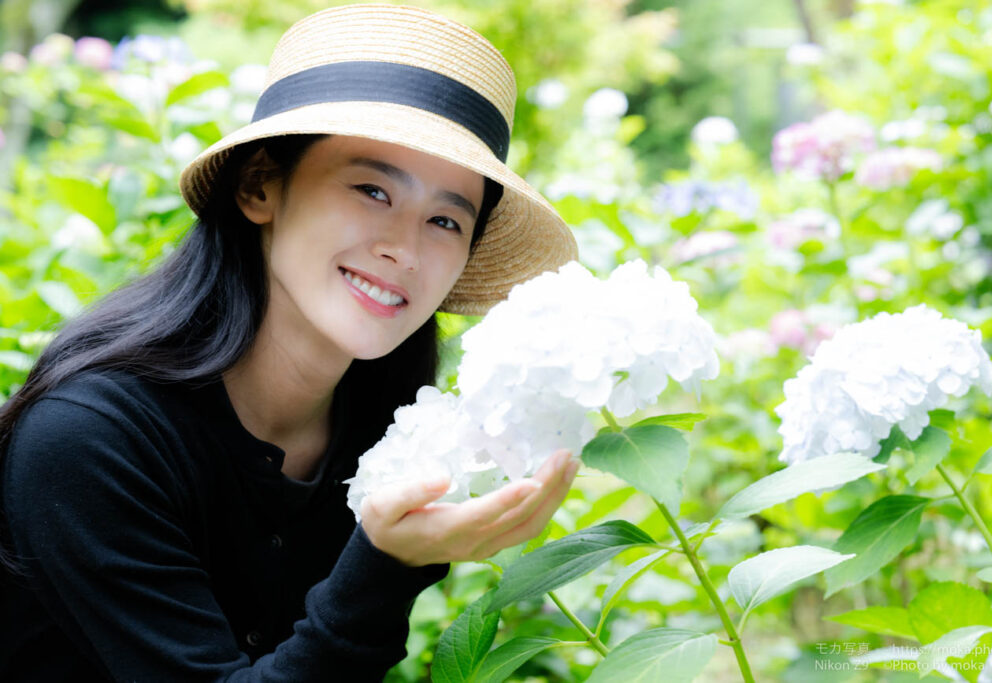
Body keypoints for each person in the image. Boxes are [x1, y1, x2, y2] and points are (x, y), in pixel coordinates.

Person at [0, 4, 579, 681]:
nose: (405, 248)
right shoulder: (89, 439)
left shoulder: (385, 424)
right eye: (372, 189)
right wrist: (387, 565)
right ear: (260, 186)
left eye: (446, 220)